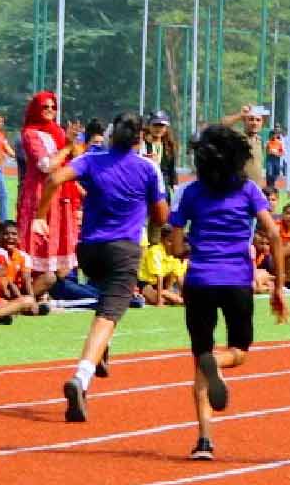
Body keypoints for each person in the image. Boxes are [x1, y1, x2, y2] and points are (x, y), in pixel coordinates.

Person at [33, 112, 168, 419]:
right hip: (124, 250)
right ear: (139, 138)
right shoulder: (148, 167)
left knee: (107, 302)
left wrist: (40, 216)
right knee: (109, 314)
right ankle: (81, 378)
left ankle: (102, 350)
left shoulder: (92, 159)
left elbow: (53, 178)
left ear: (111, 135)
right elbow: (161, 216)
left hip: (90, 251)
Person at [167, 124, 290, 460]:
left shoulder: (191, 193)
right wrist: (279, 286)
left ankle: (204, 440)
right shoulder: (249, 191)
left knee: (199, 357)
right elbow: (274, 234)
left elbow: (176, 245)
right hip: (236, 281)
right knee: (239, 351)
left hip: (199, 281)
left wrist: (192, 247)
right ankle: (218, 362)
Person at [17, 91, 81, 290]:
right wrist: (67, 147)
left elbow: (74, 159)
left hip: (62, 195)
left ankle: (50, 290)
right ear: (36, 109)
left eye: (53, 107)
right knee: (37, 241)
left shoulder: (58, 131)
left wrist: (72, 143)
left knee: (60, 254)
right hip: (39, 195)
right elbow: (46, 165)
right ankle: (30, 291)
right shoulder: (30, 133)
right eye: (45, 107)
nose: (50, 110)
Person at [139, 222, 187, 305]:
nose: (172, 244)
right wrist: (159, 302)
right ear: (162, 240)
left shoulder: (174, 253)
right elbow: (159, 277)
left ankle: (163, 295)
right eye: (169, 241)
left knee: (169, 294)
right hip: (144, 283)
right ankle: (166, 296)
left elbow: (179, 278)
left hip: (160, 286)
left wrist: (186, 296)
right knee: (166, 299)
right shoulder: (155, 251)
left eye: (174, 241)